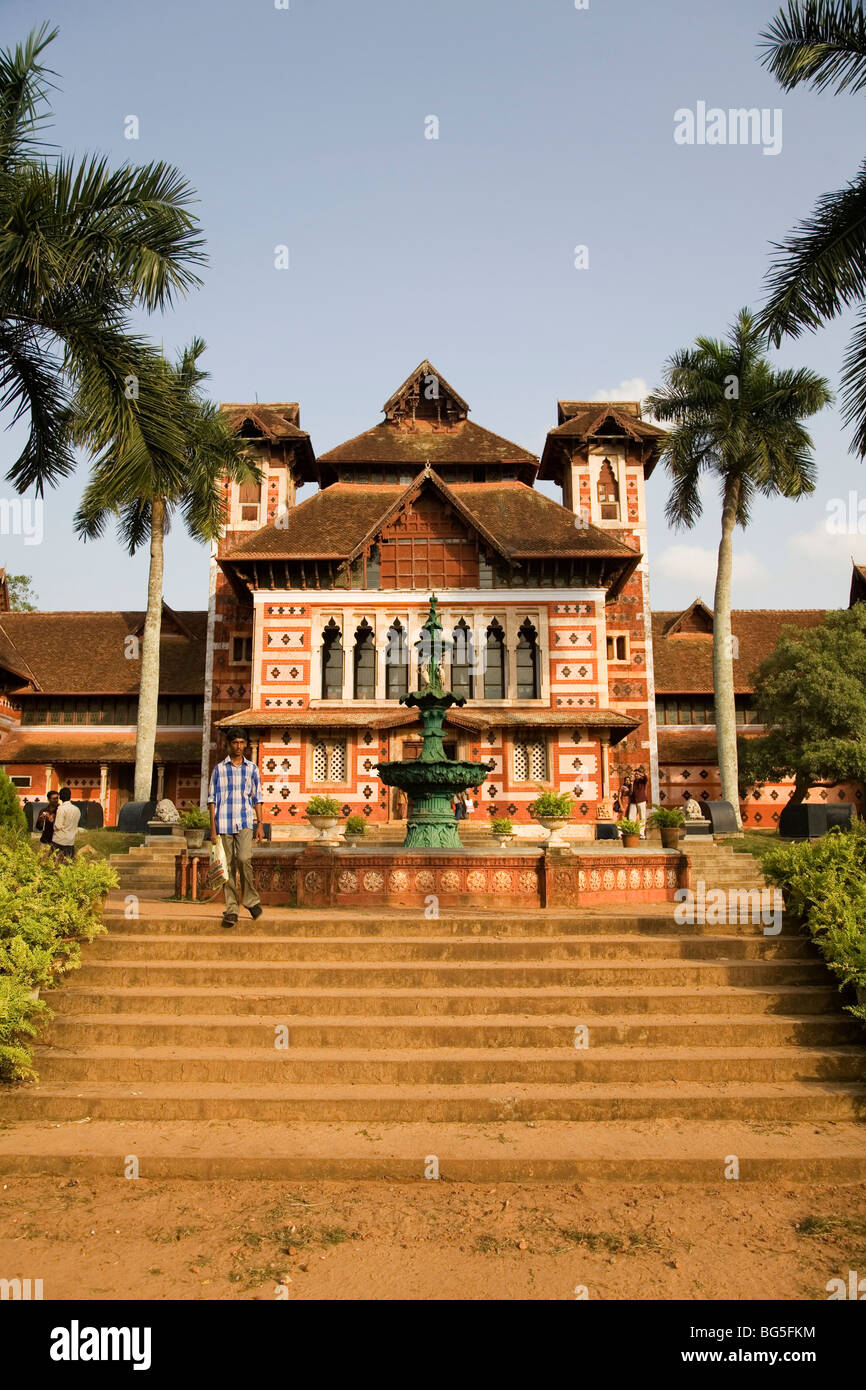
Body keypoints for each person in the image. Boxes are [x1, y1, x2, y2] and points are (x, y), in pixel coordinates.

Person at [208, 730, 264, 929]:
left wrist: (260, 825)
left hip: (245, 821)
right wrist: (212, 829)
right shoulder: (219, 769)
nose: (238, 746)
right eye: (235, 743)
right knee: (228, 866)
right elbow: (212, 800)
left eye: (242, 742)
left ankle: (250, 900)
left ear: (246, 745)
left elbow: (257, 798)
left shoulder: (252, 769)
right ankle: (232, 909)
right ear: (229, 744)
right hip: (223, 823)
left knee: (244, 858)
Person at [51, 787, 81, 861]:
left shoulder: (61, 809)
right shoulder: (77, 809)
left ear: (60, 797)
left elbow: (58, 826)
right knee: (68, 865)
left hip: (59, 841)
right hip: (70, 841)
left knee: (55, 865)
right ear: (70, 796)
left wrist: (52, 821)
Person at [630, 766, 649, 836]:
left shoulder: (642, 781)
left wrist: (639, 773)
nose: (636, 775)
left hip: (641, 800)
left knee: (642, 817)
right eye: (635, 775)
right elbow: (630, 792)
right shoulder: (632, 782)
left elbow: (646, 777)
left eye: (637, 774)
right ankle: (631, 832)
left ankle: (641, 833)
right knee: (631, 817)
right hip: (633, 801)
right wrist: (631, 783)